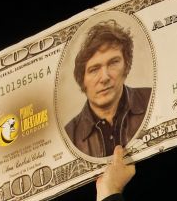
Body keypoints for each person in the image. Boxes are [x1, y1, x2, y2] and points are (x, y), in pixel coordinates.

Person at [65, 20, 152, 158]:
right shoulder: (69, 136)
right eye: (94, 69)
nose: (104, 77)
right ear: (82, 80)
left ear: (126, 66)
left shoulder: (153, 99)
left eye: (113, 63)